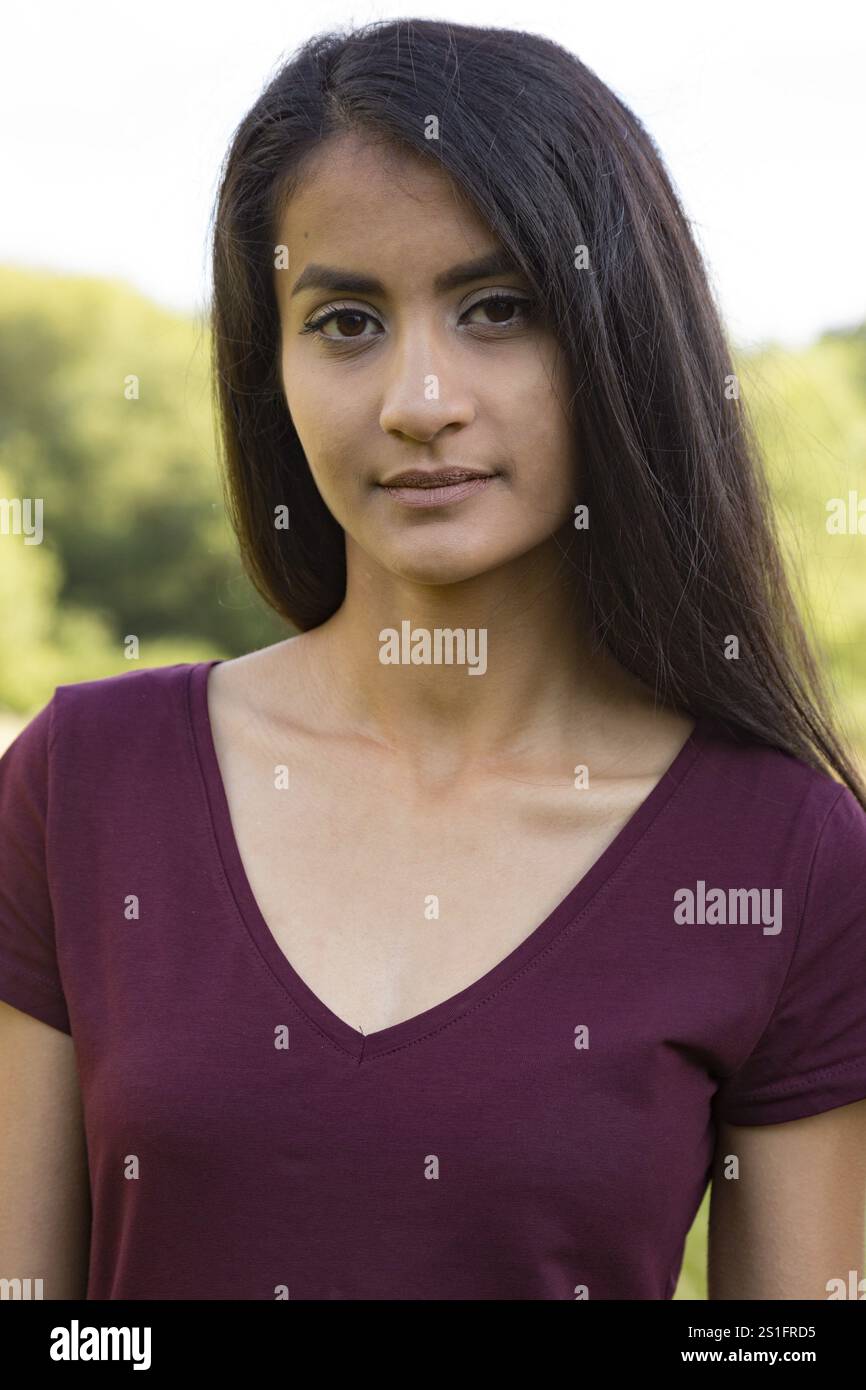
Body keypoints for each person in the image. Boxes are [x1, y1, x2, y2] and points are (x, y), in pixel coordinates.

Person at [2, 18, 865, 1302]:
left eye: (497, 308)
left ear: (618, 332)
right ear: (269, 366)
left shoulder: (781, 853)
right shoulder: (80, 783)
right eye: (344, 320)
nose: (417, 397)